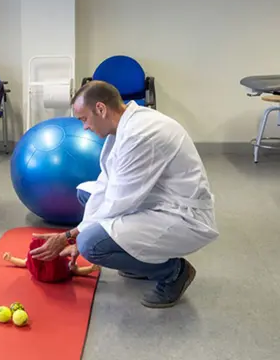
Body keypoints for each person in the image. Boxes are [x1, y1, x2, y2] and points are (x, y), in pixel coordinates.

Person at [29, 80, 218, 308]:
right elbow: (104, 186)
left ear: (100, 109)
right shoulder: (124, 125)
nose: (85, 128)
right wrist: (78, 231)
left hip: (183, 217)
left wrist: (71, 237)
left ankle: (174, 272)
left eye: (84, 119)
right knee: (86, 194)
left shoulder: (141, 135)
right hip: (155, 199)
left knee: (92, 245)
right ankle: (139, 259)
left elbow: (119, 202)